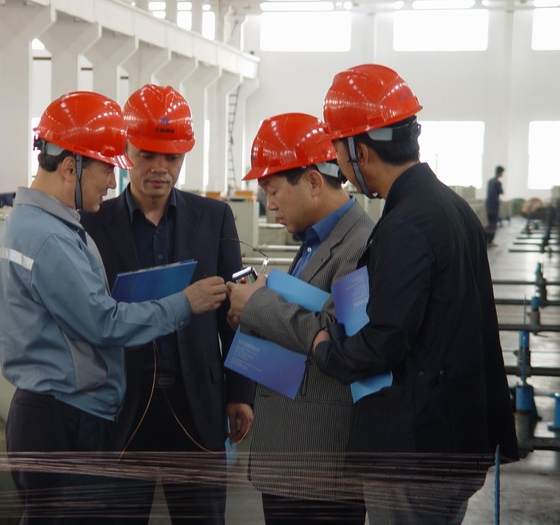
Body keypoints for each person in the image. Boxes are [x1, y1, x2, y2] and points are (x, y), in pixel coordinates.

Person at [0, 91, 229, 524]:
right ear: (70, 167)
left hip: (73, 411)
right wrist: (184, 302)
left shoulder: (42, 226)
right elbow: (104, 322)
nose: (112, 182)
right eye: (106, 168)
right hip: (63, 417)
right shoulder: (51, 237)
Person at [303, 64, 519, 524]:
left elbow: (385, 340)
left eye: (339, 155)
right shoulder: (452, 207)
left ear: (361, 151)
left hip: (416, 453)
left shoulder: (405, 224)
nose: (342, 171)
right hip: (457, 435)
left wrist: (325, 348)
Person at [80, 83, 255, 524]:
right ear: (126, 152)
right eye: (147, 155)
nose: (160, 168)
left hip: (197, 404)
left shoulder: (214, 219)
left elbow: (233, 316)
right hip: (121, 406)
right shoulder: (93, 224)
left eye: (172, 157)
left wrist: (240, 393)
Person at [226, 113, 374, 524]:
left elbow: (341, 340)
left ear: (312, 181)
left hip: (319, 464)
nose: (269, 204)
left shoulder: (359, 245)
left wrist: (259, 304)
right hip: (289, 457)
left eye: (273, 191)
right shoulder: (314, 240)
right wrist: (251, 316)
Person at [485, 165, 504, 247]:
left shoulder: (490, 181)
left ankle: (486, 240)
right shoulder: (497, 183)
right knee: (493, 224)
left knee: (490, 223)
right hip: (494, 205)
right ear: (500, 173)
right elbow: (501, 192)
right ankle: (490, 241)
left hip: (488, 204)